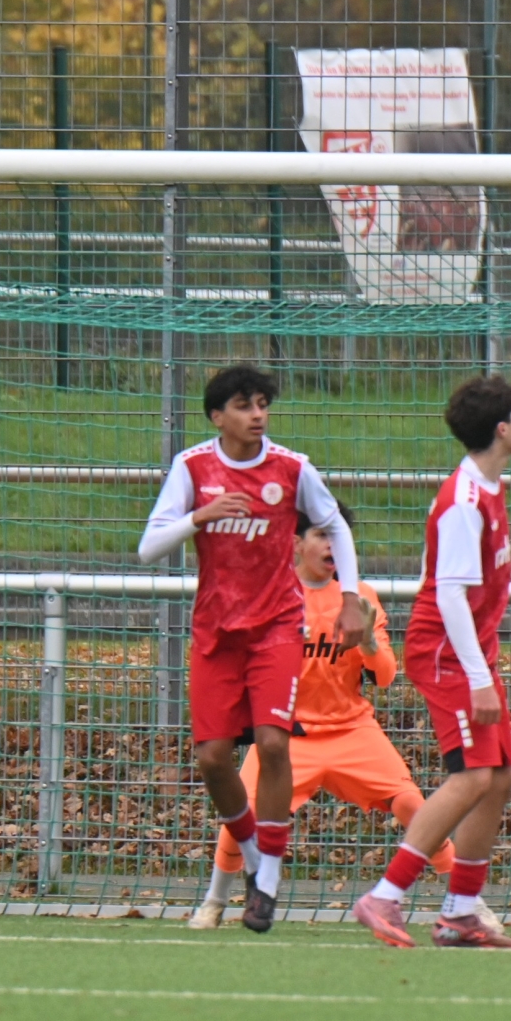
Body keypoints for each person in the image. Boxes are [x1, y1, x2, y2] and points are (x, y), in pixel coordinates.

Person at [189, 502, 502, 937]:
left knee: (412, 803)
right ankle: (215, 901)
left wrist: (369, 642)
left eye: (338, 538)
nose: (332, 546)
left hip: (351, 729)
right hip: (288, 735)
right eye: (322, 536)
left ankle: (469, 903)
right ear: (294, 543)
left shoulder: (360, 598)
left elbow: (386, 675)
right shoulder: (271, 597)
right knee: (244, 812)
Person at [138, 365, 367, 934]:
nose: (257, 414)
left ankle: (268, 880)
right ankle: (251, 855)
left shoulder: (292, 467)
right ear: (218, 416)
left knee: (272, 742)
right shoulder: (193, 467)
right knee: (213, 760)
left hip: (277, 627)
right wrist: (199, 517)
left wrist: (351, 597)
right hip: (217, 633)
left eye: (263, 403)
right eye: (244, 405)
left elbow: (336, 525)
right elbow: (148, 547)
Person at [349, 376, 511, 950]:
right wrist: (477, 678)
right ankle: (385, 896)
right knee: (472, 775)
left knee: (500, 775)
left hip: (471, 651)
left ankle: (461, 912)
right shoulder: (464, 502)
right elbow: (449, 596)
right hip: (446, 653)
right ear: (500, 428)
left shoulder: (489, 487)